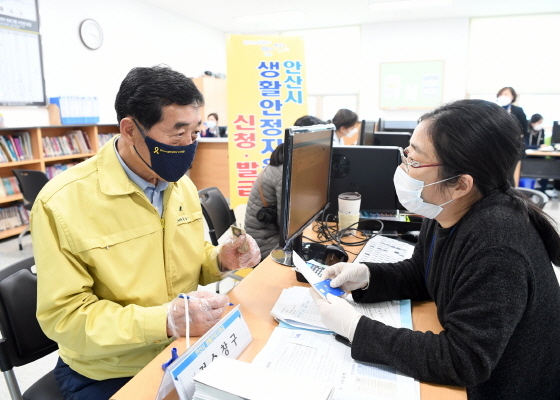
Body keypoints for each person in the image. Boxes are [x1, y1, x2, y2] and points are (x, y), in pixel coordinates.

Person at [31, 66, 261, 399]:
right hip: (110, 369)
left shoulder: (179, 185)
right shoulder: (62, 203)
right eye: (177, 134)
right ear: (129, 129)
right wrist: (166, 320)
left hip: (182, 348)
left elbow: (190, 260)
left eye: (195, 133)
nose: (187, 146)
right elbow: (65, 318)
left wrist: (220, 260)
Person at [311, 99, 560, 399]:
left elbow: (463, 359)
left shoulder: (498, 246)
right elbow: (424, 272)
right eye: (407, 153)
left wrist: (356, 328)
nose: (404, 167)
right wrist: (366, 276)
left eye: (414, 161)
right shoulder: (444, 208)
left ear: (460, 184)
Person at [244, 115, 325, 259]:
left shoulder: (292, 159)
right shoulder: (285, 171)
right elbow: (288, 227)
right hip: (263, 243)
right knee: (318, 260)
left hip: (275, 236)